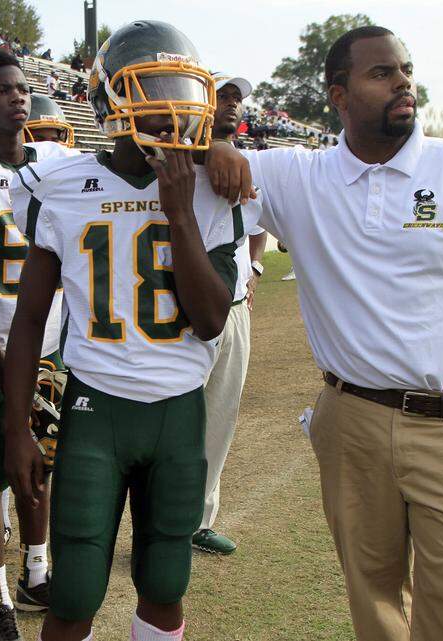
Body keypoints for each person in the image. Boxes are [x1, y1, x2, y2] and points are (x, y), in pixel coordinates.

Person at [205, 25, 443, 641]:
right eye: (381, 73)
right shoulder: (300, 176)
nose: (403, 82)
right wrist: (218, 143)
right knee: (373, 601)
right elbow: (181, 161)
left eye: (405, 70)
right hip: (351, 421)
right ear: (338, 95)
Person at [3, 20, 259, 641]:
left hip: (178, 408)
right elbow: (30, 319)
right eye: (152, 87)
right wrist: (16, 432)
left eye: (180, 88)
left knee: (166, 583)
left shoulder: (212, 188)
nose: (171, 108)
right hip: (97, 405)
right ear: (108, 98)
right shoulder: (56, 186)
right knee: (74, 592)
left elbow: (210, 318)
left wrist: (178, 210)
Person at [0, 51, 81, 641]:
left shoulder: (55, 163)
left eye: (22, 88)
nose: (17, 98)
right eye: (1, 90)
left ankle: (36, 567)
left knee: (41, 467)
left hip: (54, 345)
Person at [191, 72, 267, 557]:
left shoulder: (250, 163)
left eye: (238, 97)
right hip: (180, 316)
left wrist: (255, 266)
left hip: (235, 309)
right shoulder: (173, 157)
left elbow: (261, 222)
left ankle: (198, 521)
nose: (233, 104)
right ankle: (161, 524)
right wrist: (211, 148)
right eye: (222, 95)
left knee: (219, 420)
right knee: (176, 426)